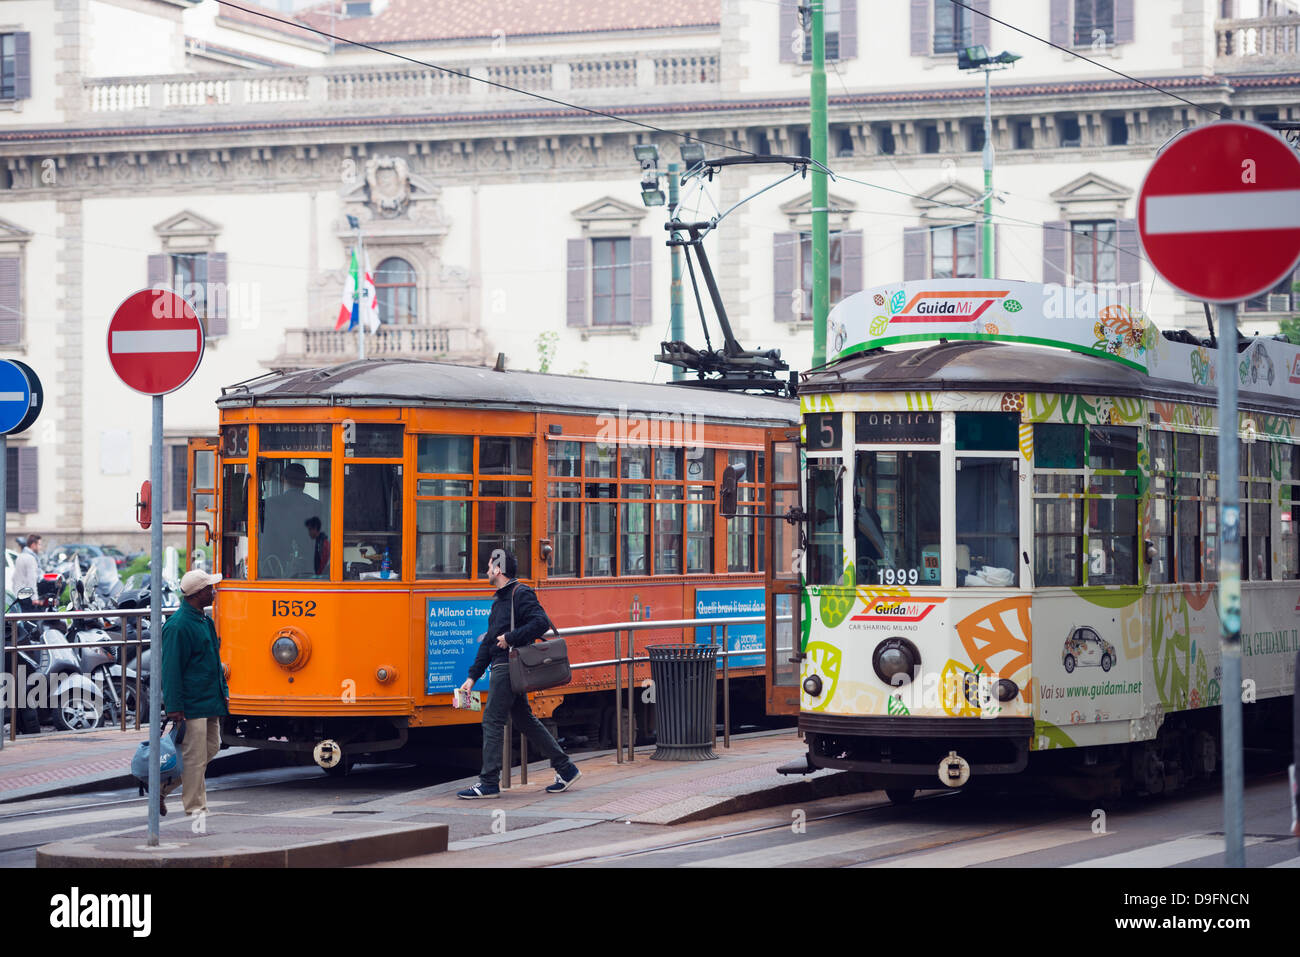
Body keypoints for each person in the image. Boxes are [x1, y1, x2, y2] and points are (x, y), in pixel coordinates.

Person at [457, 548, 580, 799]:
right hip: (504, 667)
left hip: (508, 668)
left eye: (489, 566)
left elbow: (540, 622)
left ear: (498, 570)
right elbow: (489, 643)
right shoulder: (500, 601)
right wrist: (472, 677)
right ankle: (566, 769)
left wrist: (510, 637)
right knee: (524, 720)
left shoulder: (520, 593)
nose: (486, 570)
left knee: (492, 721)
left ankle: (489, 782)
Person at [160, 569, 229, 817]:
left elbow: (213, 661)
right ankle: (196, 808)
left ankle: (163, 787)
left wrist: (224, 691)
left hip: (209, 699)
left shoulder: (204, 620)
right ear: (197, 594)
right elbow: (170, 669)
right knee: (195, 756)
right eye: (210, 588)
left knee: (210, 749)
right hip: (191, 703)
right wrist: (174, 706)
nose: (214, 591)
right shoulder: (177, 626)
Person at [259, 462, 322, 578]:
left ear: (283, 479)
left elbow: (264, 540)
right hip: (309, 571)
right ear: (303, 481)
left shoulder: (269, 504)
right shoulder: (316, 505)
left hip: (274, 569)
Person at [12, 534, 41, 610]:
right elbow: (32, 579)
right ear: (33, 545)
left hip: (18, 594)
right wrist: (34, 598)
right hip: (27, 596)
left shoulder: (20, 556)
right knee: (31, 620)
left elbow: (14, 578)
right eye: (39, 544)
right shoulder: (31, 558)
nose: (40, 547)